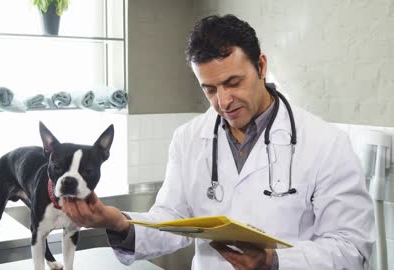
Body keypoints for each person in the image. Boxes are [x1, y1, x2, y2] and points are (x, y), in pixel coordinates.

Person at [61, 14, 374, 269]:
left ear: (261, 67)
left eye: (233, 83)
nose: (224, 101)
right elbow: (172, 222)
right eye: (209, 89)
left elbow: (351, 249)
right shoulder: (188, 139)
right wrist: (119, 223)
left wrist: (275, 262)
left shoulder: (327, 144)